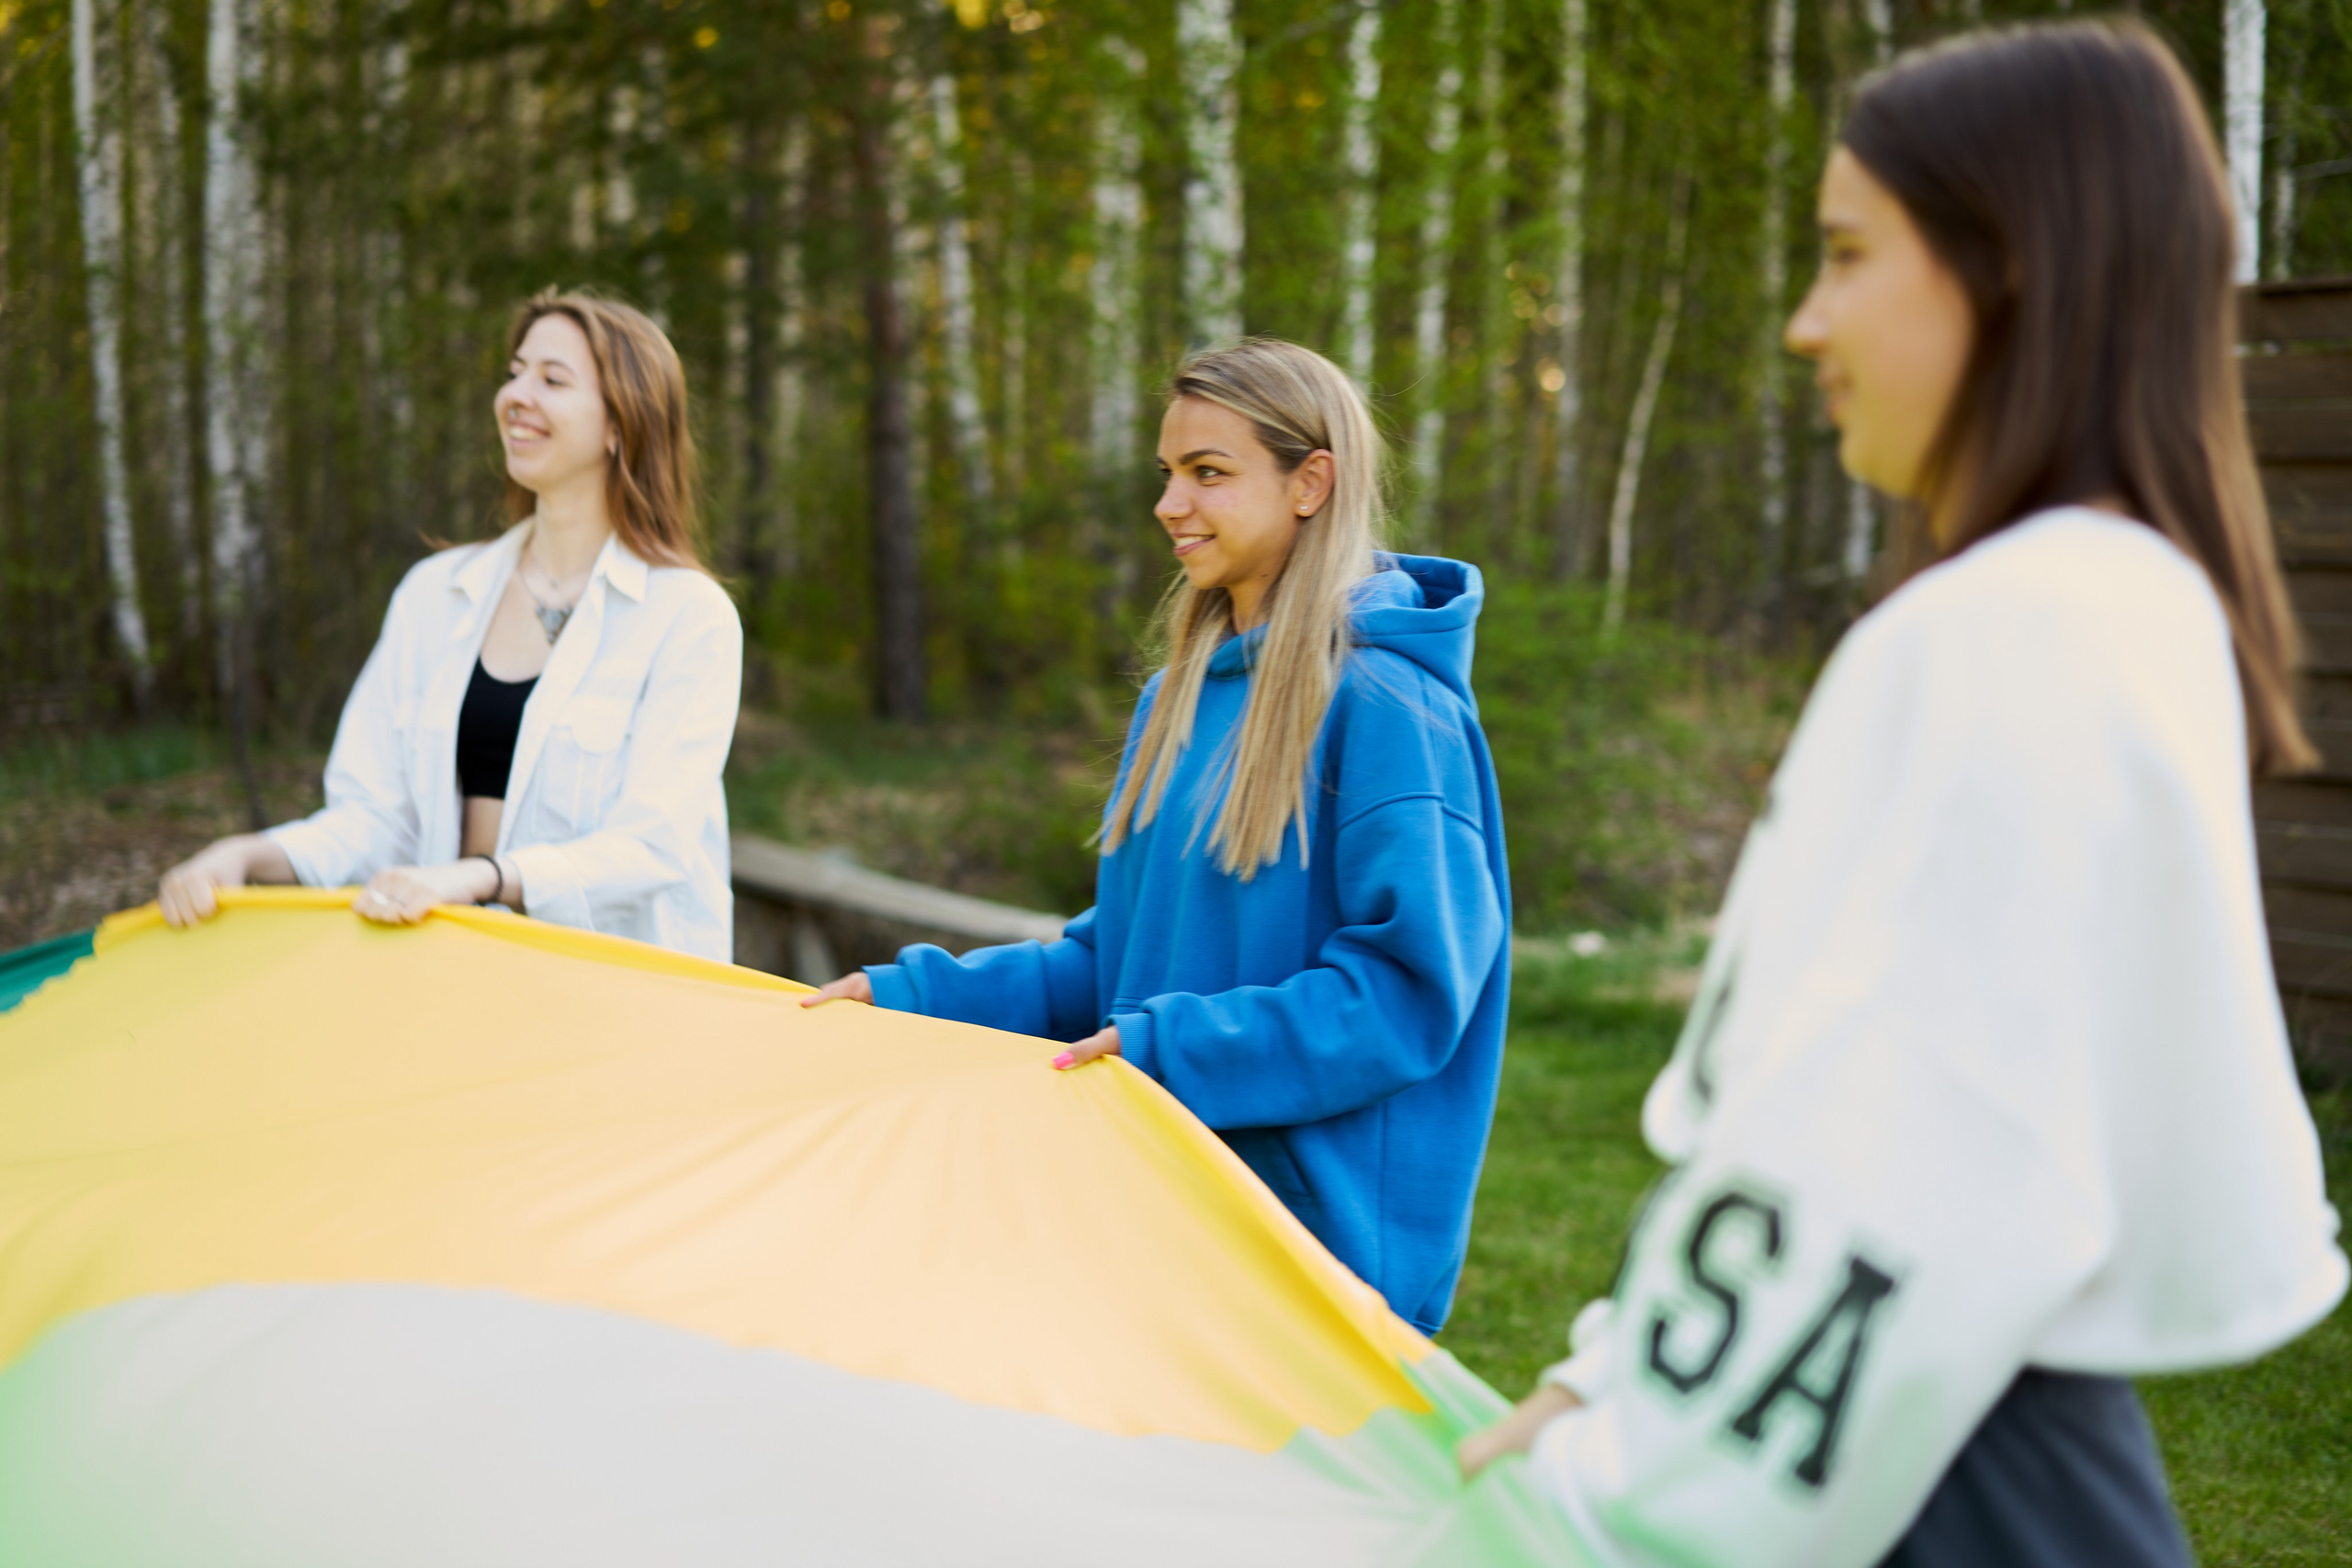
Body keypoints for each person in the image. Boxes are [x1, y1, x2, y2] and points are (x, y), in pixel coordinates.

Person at [1457, 22, 2348, 1567]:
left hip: (1919, 1465)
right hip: (1962, 1427)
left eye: (1849, 254)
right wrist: (1607, 1371)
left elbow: (1935, 1140)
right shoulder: (2108, 599)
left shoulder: (2022, 629)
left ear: (2013, 268)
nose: (1806, 322)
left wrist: (1602, 1497)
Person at [801, 339, 1510, 1335]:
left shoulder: (1392, 705)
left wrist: (1169, 1049)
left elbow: (1406, 995)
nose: (1170, 504)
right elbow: (1114, 962)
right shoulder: (1174, 699)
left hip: (1309, 1253)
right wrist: (915, 997)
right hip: (1159, 1208)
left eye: (1208, 473)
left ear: (1311, 483)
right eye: (1168, 473)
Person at [158, 290, 742, 964]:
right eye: (514, 373)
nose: (515, 395)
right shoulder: (434, 596)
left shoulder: (689, 617)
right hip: (449, 976)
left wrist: (479, 878)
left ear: (622, 425)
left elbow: (652, 846)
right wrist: (248, 854)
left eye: (552, 380)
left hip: (616, 996)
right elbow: (378, 817)